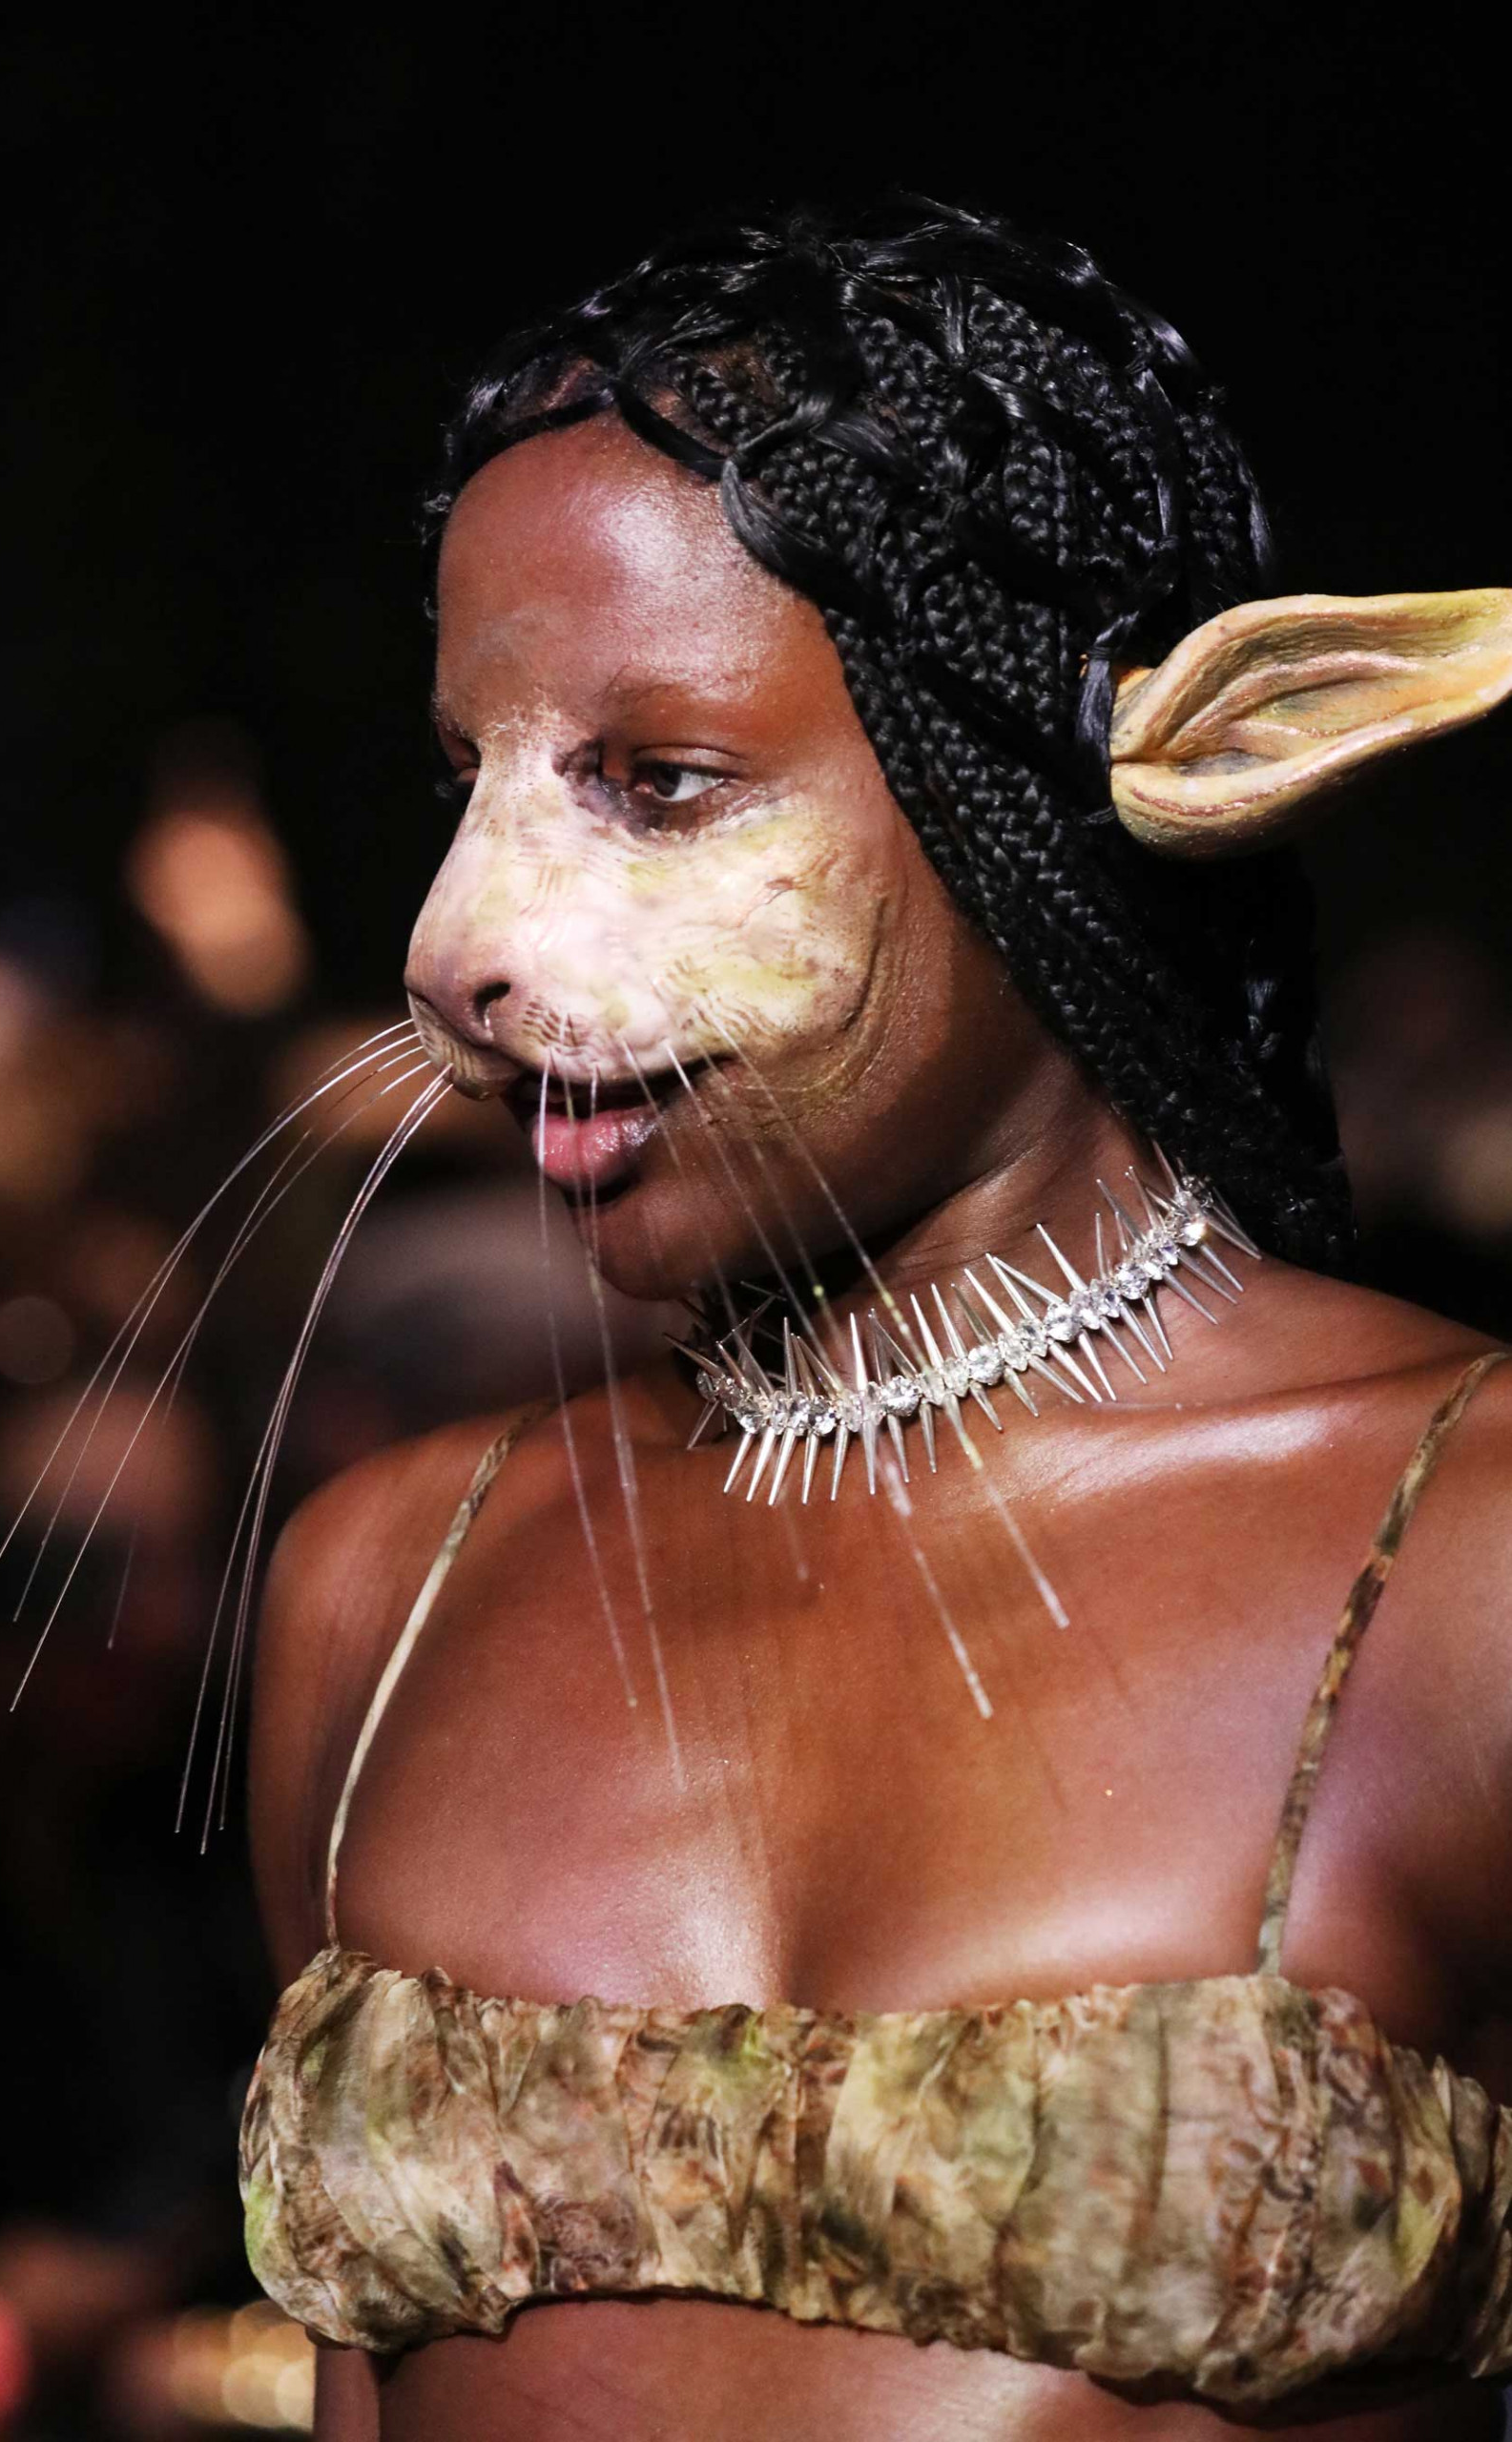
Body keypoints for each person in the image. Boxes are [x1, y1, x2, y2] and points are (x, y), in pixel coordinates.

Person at [239, 201, 1512, 2438]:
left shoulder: (1464, 1556)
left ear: (1014, 790)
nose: (458, 946)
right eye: (472, 776)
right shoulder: (386, 1583)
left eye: (654, 779)